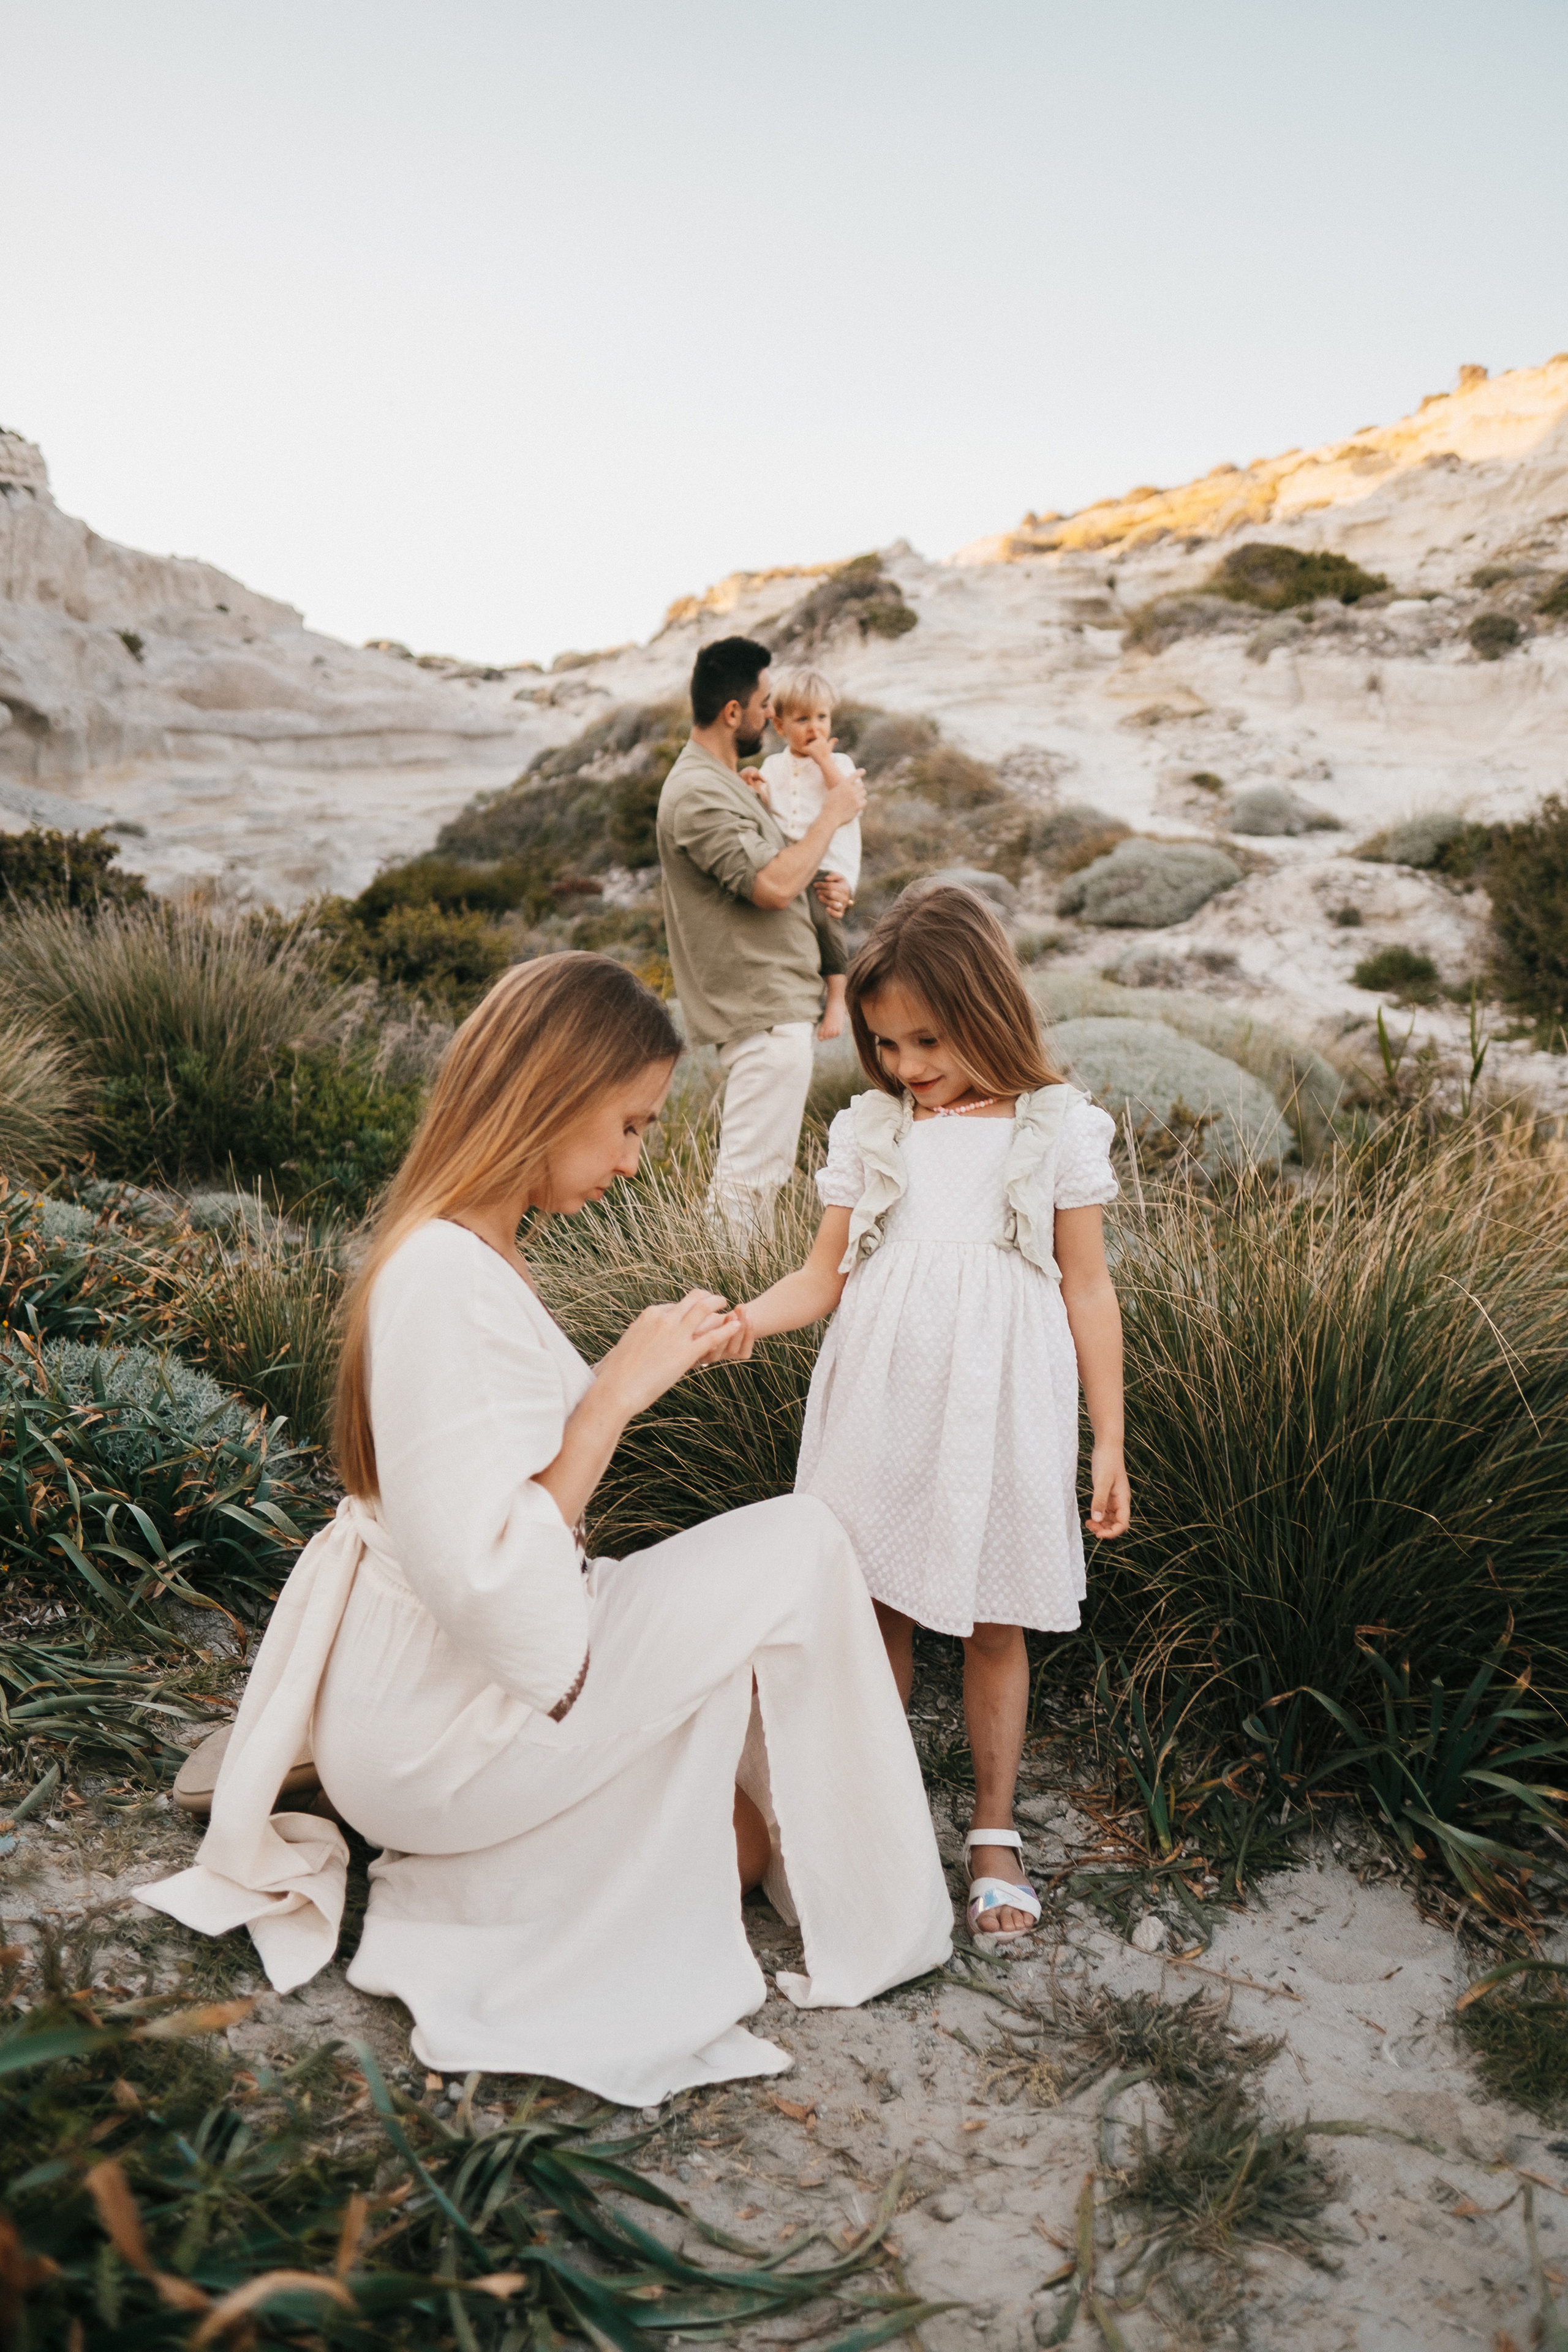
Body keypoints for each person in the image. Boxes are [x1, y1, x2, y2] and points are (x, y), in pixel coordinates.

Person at [142, 954, 952, 2106]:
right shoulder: (438, 1275)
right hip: (439, 1726)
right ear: (548, 1096)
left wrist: (635, 1363)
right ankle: (875, 1913)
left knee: (735, 1832)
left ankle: (702, 1856)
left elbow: (493, 1510)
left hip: (435, 1689)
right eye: (627, 1123)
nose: (633, 1157)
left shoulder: (465, 1248)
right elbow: (489, 1578)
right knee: (807, 1541)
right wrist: (615, 1392)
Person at [732, 884, 1132, 1945]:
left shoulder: (1060, 1128)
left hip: (1006, 1392)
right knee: (875, 1608)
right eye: (885, 1043)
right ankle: (870, 1812)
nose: (906, 1065)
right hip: (881, 1387)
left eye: (927, 1039)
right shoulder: (873, 1128)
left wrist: (1109, 1440)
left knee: (997, 1616)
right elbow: (823, 1276)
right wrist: (741, 1323)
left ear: (988, 1009)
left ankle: (993, 1831)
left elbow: (1087, 1289)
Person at [657, 636, 866, 1240]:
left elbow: (791, 872)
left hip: (778, 1010)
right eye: (765, 703)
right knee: (747, 1183)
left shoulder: (727, 783)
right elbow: (772, 886)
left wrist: (830, 889)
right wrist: (834, 812)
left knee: (762, 1181)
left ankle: (744, 1317)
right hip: (761, 1012)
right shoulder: (696, 791)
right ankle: (721, 1316)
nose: (771, 715)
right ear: (733, 713)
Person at [753, 665, 862, 1044]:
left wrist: (823, 760)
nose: (814, 727)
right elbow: (766, 805)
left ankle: (837, 994)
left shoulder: (840, 763)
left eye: (822, 717)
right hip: (786, 859)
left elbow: (847, 799)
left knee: (822, 916)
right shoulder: (773, 765)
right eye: (802, 719)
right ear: (780, 727)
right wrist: (755, 788)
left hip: (826, 863)